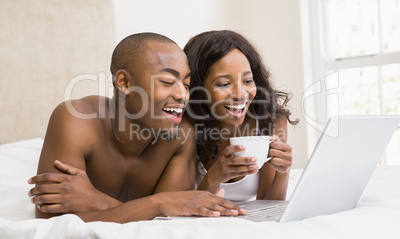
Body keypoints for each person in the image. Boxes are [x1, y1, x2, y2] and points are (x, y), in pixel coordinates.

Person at [27, 32, 245, 223]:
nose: (182, 95)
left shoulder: (181, 135)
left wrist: (96, 200)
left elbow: (169, 222)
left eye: (186, 85)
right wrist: (159, 204)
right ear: (124, 82)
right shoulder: (77, 119)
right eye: (168, 82)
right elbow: (50, 222)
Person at [183, 30, 299, 202]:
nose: (240, 95)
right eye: (224, 84)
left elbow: (268, 206)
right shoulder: (187, 125)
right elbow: (185, 206)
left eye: (247, 81)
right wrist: (214, 177)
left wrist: (283, 172)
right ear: (198, 88)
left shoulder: (271, 117)